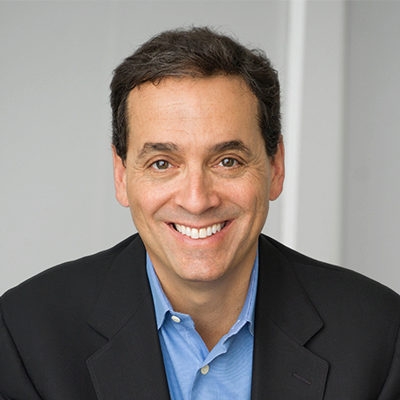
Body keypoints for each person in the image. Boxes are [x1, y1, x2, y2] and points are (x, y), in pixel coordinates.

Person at [0, 27, 399, 400]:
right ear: (121, 176)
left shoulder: (380, 336)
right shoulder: (26, 334)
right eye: (162, 163)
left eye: (227, 161)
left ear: (276, 166)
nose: (196, 200)